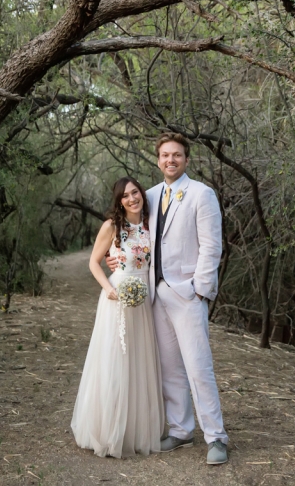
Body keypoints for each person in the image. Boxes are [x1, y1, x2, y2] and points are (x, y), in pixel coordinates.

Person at [105, 132, 228, 465]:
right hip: (154, 295)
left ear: (186, 159)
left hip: (188, 294)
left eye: (176, 155)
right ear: (157, 160)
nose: (170, 160)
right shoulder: (150, 195)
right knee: (170, 366)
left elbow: (212, 246)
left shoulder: (202, 194)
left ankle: (215, 436)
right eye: (164, 155)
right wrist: (114, 257)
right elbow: (130, 234)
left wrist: (200, 290)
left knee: (198, 367)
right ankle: (180, 429)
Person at [71, 177, 165, 458]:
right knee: (115, 358)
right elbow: (93, 262)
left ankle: (136, 429)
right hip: (118, 298)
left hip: (143, 300)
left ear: (142, 194)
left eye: (135, 192)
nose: (132, 198)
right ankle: (109, 428)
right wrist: (109, 289)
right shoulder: (113, 226)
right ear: (119, 201)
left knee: (139, 361)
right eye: (125, 196)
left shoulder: (150, 224)